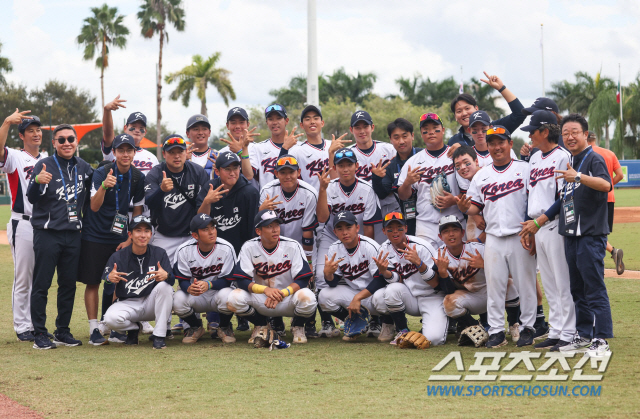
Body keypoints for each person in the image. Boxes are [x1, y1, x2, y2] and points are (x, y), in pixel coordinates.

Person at [521, 114, 613, 357]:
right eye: (566, 133)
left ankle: (601, 339)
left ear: (585, 134)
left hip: (590, 233)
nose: (570, 137)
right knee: (577, 288)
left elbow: (606, 185)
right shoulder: (573, 159)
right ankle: (581, 335)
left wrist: (578, 177)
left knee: (593, 287)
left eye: (575, 132)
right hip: (571, 232)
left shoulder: (594, 158)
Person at [456, 126, 537, 348]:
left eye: (500, 142)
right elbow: (475, 208)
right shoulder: (482, 175)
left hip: (520, 235)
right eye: (491, 143)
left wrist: (533, 232)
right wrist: (465, 207)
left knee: (525, 284)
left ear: (510, 144)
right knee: (495, 285)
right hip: (493, 237)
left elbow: (534, 202)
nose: (496, 147)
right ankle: (497, 330)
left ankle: (528, 327)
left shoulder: (525, 168)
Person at [27, 124, 94, 350]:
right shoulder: (43, 165)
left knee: (68, 285)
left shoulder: (84, 167)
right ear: (54, 143)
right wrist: (37, 181)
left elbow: (90, 200)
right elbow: (32, 197)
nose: (67, 143)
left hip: (73, 234)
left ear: (77, 142)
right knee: (42, 285)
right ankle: (39, 334)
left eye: (70, 139)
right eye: (61, 140)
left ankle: (62, 331)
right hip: (47, 234)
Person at [79, 134, 145, 346]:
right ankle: (93, 329)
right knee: (93, 281)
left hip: (119, 236)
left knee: (117, 280)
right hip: (94, 235)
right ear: (114, 152)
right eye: (121, 150)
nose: (125, 154)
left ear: (134, 152)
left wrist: (130, 236)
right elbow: (94, 206)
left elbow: (137, 209)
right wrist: (104, 186)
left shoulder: (137, 176)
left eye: (129, 150)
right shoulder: (101, 173)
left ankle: (113, 327)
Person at [518, 111, 576, 351]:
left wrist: (540, 221)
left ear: (544, 131)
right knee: (550, 283)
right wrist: (529, 227)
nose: (529, 135)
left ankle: (570, 333)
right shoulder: (534, 158)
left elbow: (564, 197)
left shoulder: (563, 157)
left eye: (533, 131)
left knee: (563, 282)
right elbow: (530, 195)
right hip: (538, 226)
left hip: (554, 225)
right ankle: (556, 330)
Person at [316, 148, 383, 336]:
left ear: (356, 166)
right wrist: (322, 189)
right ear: (335, 168)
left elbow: (369, 225)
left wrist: (366, 248)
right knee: (323, 277)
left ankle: (376, 319)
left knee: (368, 274)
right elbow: (322, 218)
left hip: (359, 232)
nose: (345, 169)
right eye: (341, 165)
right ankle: (331, 322)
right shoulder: (329, 186)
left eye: (349, 164)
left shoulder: (367, 188)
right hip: (332, 234)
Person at [228, 210, 317, 344]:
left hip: (287, 296)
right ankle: (262, 325)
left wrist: (283, 293)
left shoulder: (292, 245)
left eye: (276, 225)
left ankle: (297, 326)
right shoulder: (249, 247)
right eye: (269, 226)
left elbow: (302, 278)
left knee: (308, 298)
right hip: (263, 298)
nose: (275, 229)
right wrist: (265, 290)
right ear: (259, 231)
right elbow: (241, 280)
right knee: (234, 298)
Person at [196, 151, 259, 333]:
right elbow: (199, 220)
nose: (232, 173)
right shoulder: (209, 188)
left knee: (243, 287)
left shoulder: (249, 191)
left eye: (236, 168)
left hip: (241, 246)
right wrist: (207, 202)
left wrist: (249, 253)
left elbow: (251, 227)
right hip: (215, 251)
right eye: (227, 169)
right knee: (216, 287)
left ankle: (252, 321)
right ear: (217, 171)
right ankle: (220, 323)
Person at [259, 155, 319, 337]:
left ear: (298, 172)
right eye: (282, 172)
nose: (287, 176)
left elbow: (308, 231)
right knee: (273, 279)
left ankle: (307, 322)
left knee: (308, 282)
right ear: (276, 173)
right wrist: (263, 208)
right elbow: (263, 223)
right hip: (274, 243)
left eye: (291, 172)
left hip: (302, 243)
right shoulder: (268, 190)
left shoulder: (309, 192)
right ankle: (275, 320)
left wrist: (307, 260)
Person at [0, 109, 45, 342]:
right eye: (30, 130)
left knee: (40, 278)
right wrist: (7, 122)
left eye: (38, 130)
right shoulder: (15, 157)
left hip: (46, 225)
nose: (36, 134)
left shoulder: (48, 158)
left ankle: (36, 323)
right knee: (23, 277)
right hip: (23, 222)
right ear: (21, 135)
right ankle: (22, 326)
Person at [317, 211, 392, 342]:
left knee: (382, 299)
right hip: (353, 294)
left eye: (348, 227)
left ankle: (388, 323)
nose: (344, 232)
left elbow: (380, 279)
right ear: (335, 232)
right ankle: (356, 319)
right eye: (340, 229)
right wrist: (327, 274)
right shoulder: (334, 249)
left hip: (374, 293)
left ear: (357, 228)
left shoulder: (370, 246)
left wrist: (358, 297)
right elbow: (333, 283)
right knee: (324, 296)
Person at [103, 215, 174, 350]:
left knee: (165, 287)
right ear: (130, 234)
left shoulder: (159, 253)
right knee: (110, 318)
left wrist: (167, 276)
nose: (143, 235)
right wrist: (108, 280)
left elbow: (172, 281)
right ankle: (135, 328)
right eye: (138, 231)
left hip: (152, 303)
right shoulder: (118, 256)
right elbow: (107, 290)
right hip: (128, 304)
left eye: (146, 231)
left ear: (151, 234)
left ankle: (159, 336)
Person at [376, 212, 447, 345]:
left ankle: (446, 322)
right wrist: (385, 272)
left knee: (434, 339)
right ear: (384, 231)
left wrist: (420, 264)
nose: (395, 232)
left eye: (399, 227)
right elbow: (398, 280)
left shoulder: (422, 246)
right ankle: (402, 330)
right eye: (390, 228)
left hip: (432, 296)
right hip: (411, 296)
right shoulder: (384, 249)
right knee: (384, 294)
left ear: (406, 228)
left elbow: (437, 283)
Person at [397, 113, 464, 249]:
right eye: (426, 129)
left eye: (435, 127)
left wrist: (455, 200)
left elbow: (472, 189)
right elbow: (403, 196)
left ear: (443, 130)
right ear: (421, 134)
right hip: (425, 225)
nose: (431, 132)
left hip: (455, 221)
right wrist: (407, 183)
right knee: (428, 267)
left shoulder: (456, 155)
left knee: (458, 267)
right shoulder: (413, 161)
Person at [172, 214, 237, 344]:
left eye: (212, 227)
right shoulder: (184, 250)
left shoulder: (226, 248)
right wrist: (189, 288)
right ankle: (195, 327)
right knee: (177, 299)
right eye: (205, 229)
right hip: (196, 294)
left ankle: (224, 327)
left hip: (217, 292)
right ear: (195, 235)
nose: (211, 232)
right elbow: (182, 279)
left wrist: (209, 284)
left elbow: (229, 280)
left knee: (231, 296)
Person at [145, 134, 209, 262]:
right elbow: (149, 203)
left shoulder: (197, 172)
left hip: (192, 235)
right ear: (164, 154)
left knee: (195, 277)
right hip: (164, 236)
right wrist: (161, 190)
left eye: (180, 151)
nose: (177, 156)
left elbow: (202, 207)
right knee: (159, 277)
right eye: (171, 152)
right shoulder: (155, 174)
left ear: (186, 152)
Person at [334, 110, 397, 226]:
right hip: (362, 210)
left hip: (389, 207)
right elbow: (336, 182)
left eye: (365, 126)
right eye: (357, 127)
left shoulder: (389, 149)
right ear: (351, 130)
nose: (362, 131)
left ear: (372, 127)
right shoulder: (347, 154)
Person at [371, 118, 423, 235]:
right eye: (396, 137)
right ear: (390, 139)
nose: (401, 141)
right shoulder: (390, 166)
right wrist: (376, 178)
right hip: (407, 219)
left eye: (405, 136)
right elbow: (382, 194)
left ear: (412, 136)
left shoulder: (424, 155)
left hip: (430, 214)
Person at [447, 72, 526, 148]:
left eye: (467, 108)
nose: (464, 113)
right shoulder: (453, 142)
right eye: (459, 111)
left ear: (476, 109)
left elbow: (520, 113)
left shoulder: (495, 128)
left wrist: (501, 88)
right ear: (455, 117)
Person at [587, 131, 625, 274]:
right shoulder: (609, 153)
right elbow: (620, 175)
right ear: (595, 139)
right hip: (609, 197)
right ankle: (613, 252)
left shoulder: (586, 154)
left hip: (592, 198)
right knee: (603, 232)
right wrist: (608, 187)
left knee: (592, 232)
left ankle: (602, 261)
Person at [247, 104, 303, 189]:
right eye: (270, 119)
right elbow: (248, 176)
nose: (274, 122)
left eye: (279, 118)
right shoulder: (258, 148)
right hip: (268, 199)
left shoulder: (300, 147)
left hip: (296, 200)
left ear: (286, 121)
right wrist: (242, 149)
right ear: (267, 122)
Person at [101, 95, 159, 174]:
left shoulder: (152, 158)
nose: (137, 131)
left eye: (141, 128)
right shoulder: (115, 150)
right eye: (133, 127)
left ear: (145, 132)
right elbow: (108, 134)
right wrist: (107, 110)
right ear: (125, 128)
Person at [285, 105, 335, 190]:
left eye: (316, 118)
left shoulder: (333, 145)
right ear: (302, 125)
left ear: (322, 123)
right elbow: (281, 174)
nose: (312, 122)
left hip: (335, 200)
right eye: (307, 119)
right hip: (310, 200)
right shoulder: (296, 151)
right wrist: (284, 148)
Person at [215, 107, 258, 186]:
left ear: (248, 125)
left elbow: (249, 176)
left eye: (241, 122)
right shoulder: (221, 152)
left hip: (252, 197)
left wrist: (240, 151)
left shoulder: (257, 148)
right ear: (227, 125)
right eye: (233, 123)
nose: (237, 126)